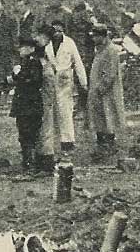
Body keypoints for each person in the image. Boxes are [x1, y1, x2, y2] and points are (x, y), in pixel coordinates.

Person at [85, 24, 126, 160]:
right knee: (99, 121)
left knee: (108, 120)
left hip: (107, 93)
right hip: (97, 92)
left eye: (96, 36)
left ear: (103, 36)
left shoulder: (111, 50)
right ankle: (101, 148)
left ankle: (109, 148)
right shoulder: (100, 50)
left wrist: (100, 88)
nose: (94, 39)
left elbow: (110, 73)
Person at [45, 20, 87, 153]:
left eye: (60, 31)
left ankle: (67, 141)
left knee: (65, 111)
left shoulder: (69, 43)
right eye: (55, 31)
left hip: (65, 81)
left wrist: (83, 82)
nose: (57, 34)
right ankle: (55, 141)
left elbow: (78, 62)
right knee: (52, 113)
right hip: (51, 80)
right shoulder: (47, 44)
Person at [10, 36, 46, 171]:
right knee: (24, 133)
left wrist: (17, 75)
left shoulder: (34, 62)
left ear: (31, 49)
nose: (20, 49)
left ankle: (31, 163)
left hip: (30, 103)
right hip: (24, 103)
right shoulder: (25, 62)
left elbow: (34, 81)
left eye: (23, 47)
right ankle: (28, 161)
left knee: (29, 133)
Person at [34, 28, 61, 172]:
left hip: (46, 95)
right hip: (44, 94)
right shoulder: (43, 56)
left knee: (46, 127)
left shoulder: (46, 60)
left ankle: (46, 159)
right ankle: (43, 156)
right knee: (45, 127)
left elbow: (50, 74)